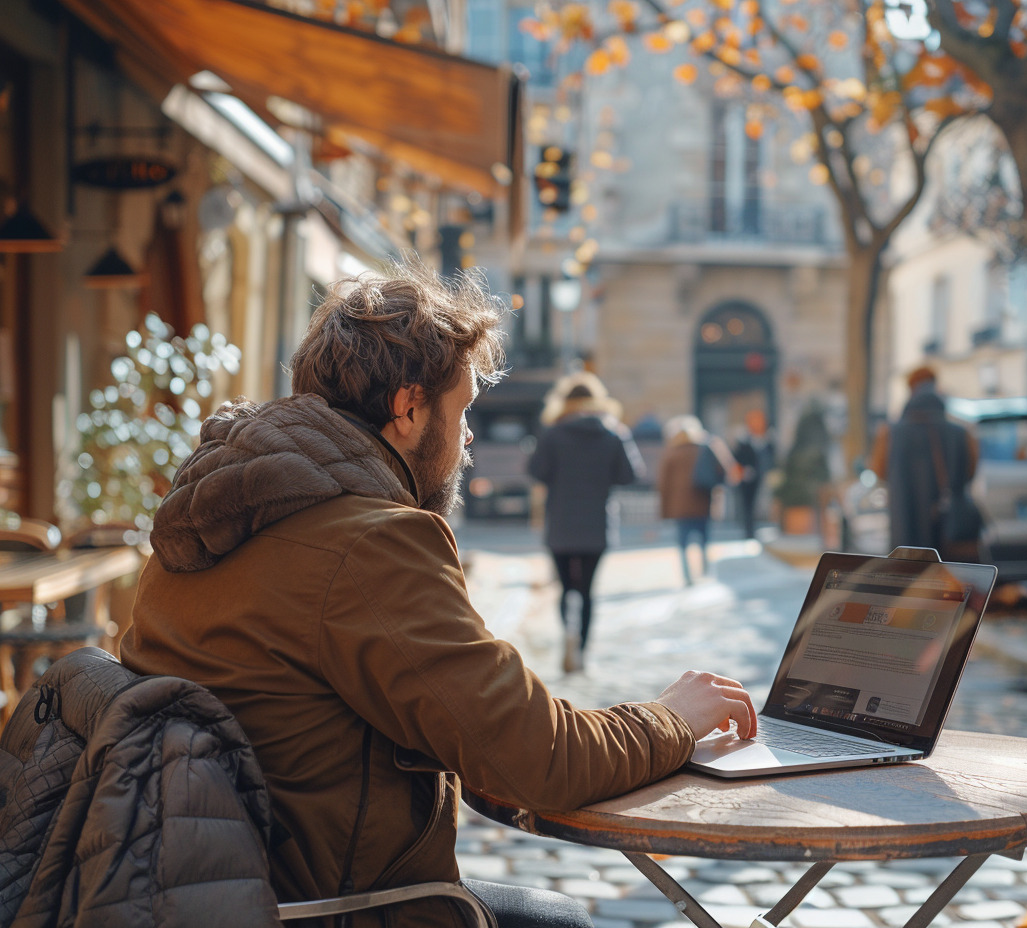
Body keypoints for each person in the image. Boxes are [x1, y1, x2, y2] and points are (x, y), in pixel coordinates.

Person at [120, 263, 756, 928]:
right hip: (333, 906)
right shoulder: (374, 542)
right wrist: (674, 719)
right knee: (563, 920)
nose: (468, 438)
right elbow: (542, 758)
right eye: (464, 411)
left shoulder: (208, 518)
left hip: (204, 888)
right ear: (409, 406)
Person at [528, 371, 643, 674]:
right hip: (597, 524)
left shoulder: (553, 433)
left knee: (566, 588)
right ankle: (582, 648)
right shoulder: (613, 432)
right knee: (588, 590)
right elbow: (629, 475)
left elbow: (536, 471)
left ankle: (567, 630)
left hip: (561, 524)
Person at [871, 365, 980, 558]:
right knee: (950, 581)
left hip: (904, 526)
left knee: (909, 576)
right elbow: (970, 473)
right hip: (948, 528)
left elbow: (878, 471)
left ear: (911, 390)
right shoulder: (961, 433)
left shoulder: (889, 433)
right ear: (935, 387)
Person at [658, 415, 735, 584]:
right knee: (705, 540)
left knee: (683, 544)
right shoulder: (708, 447)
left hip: (680, 508)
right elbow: (726, 469)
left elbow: (663, 485)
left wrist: (664, 512)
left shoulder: (672, 451)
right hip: (703, 502)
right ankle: (707, 572)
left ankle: (687, 577)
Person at [731, 409, 775, 540]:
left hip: (766, 479)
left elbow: (775, 459)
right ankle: (750, 532)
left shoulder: (770, 440)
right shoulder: (743, 441)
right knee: (748, 507)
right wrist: (743, 471)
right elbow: (736, 460)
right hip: (748, 481)